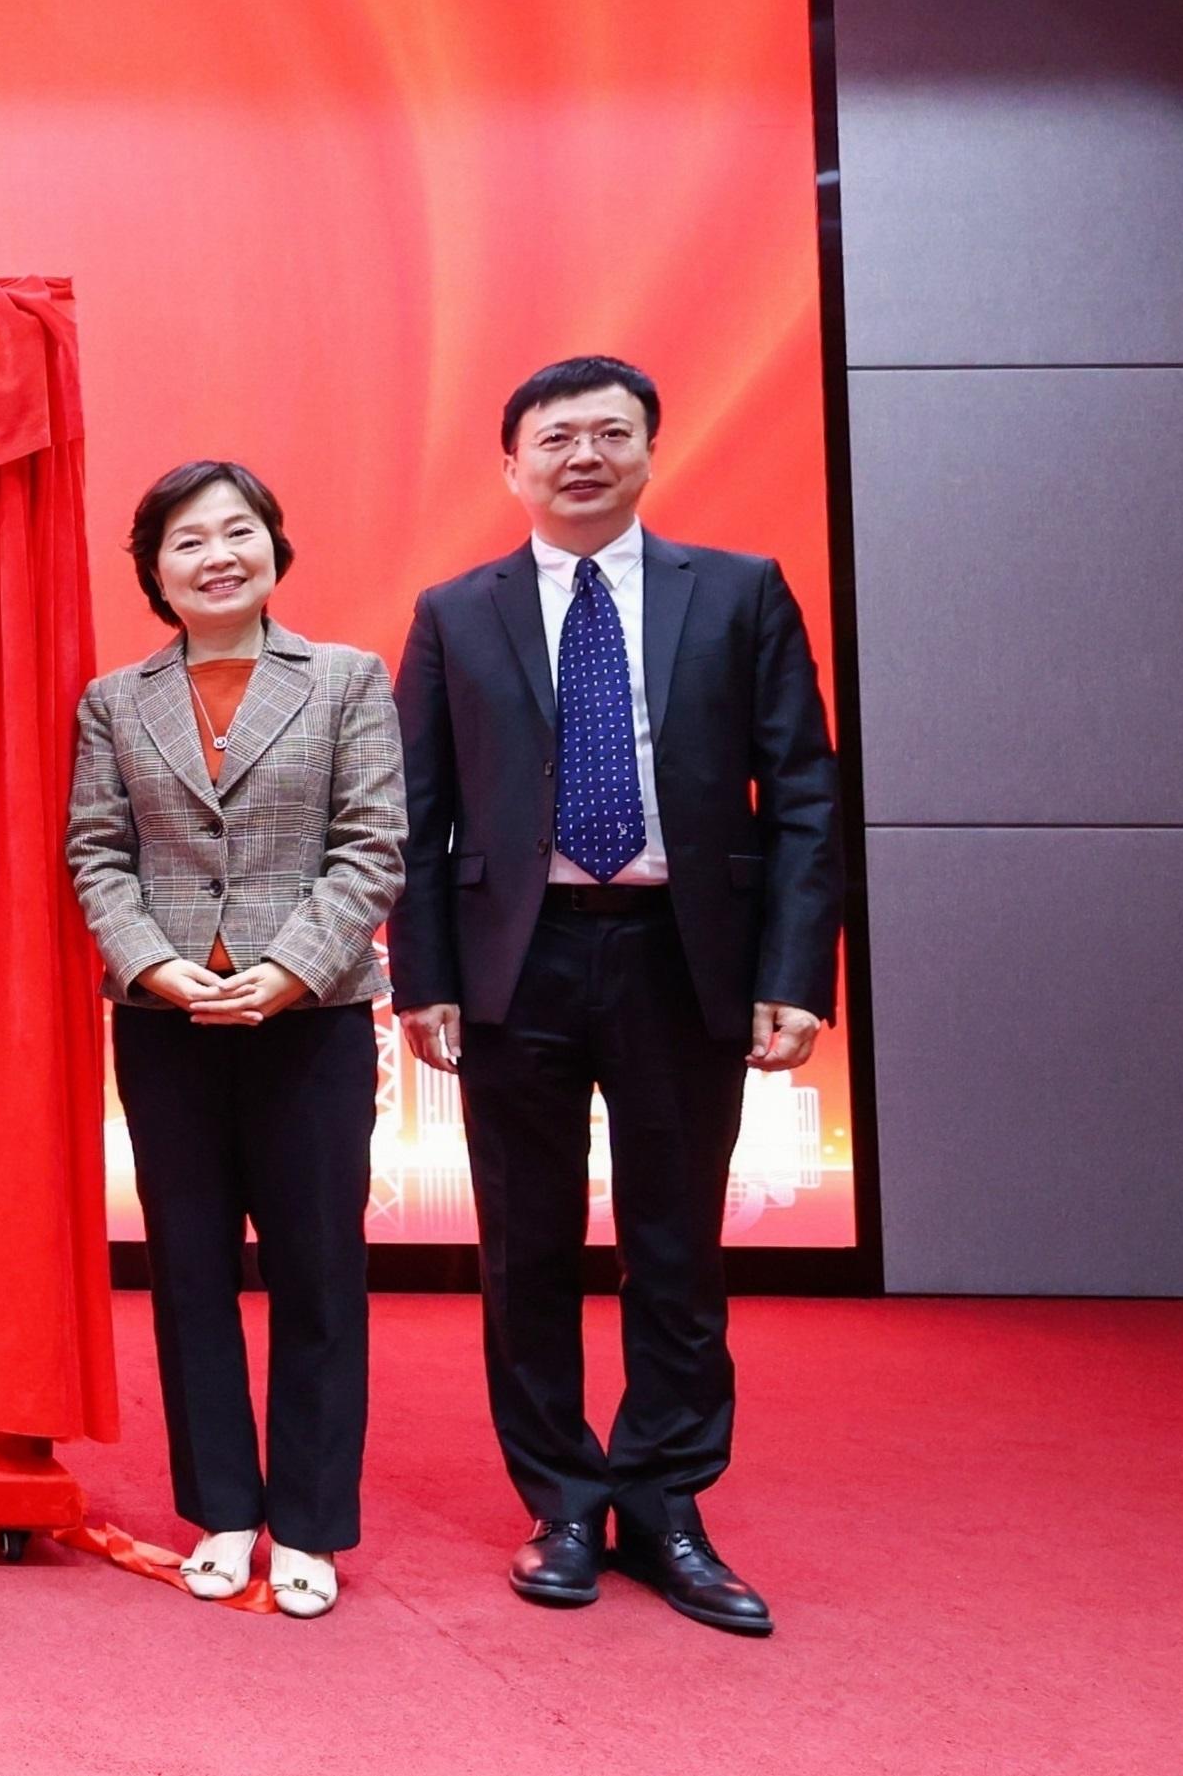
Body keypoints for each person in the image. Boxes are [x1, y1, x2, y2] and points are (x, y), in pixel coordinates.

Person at [390, 356, 840, 1637]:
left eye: (608, 433)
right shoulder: (454, 612)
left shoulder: (740, 592)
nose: (580, 456)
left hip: (676, 954)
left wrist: (792, 976)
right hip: (514, 962)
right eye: (554, 437)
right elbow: (421, 815)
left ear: (649, 449)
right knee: (524, 1247)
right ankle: (562, 1501)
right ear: (510, 466)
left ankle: (665, 1503)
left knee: (675, 1248)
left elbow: (800, 795)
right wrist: (423, 975)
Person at [65, 460, 405, 1620]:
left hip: (309, 1022)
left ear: (273, 544)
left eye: (238, 531)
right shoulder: (116, 700)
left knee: (318, 1274)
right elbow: (96, 854)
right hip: (166, 1026)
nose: (217, 555)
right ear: (154, 571)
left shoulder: (347, 679)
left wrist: (287, 969)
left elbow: (371, 847)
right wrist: (152, 966)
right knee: (190, 1275)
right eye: (186, 541)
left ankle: (308, 1523)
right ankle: (222, 1510)